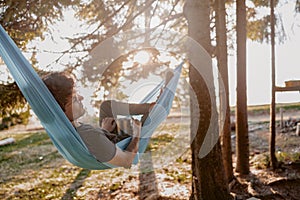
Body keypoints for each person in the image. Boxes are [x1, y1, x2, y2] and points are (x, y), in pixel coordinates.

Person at [42, 72, 168, 168]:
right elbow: (127, 161)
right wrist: (136, 134)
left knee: (106, 106)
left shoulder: (66, 128)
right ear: (60, 110)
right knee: (143, 123)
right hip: (125, 148)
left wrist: (103, 131)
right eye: (74, 99)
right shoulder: (89, 134)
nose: (81, 97)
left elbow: (94, 143)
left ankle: (151, 107)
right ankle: (155, 108)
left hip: (105, 142)